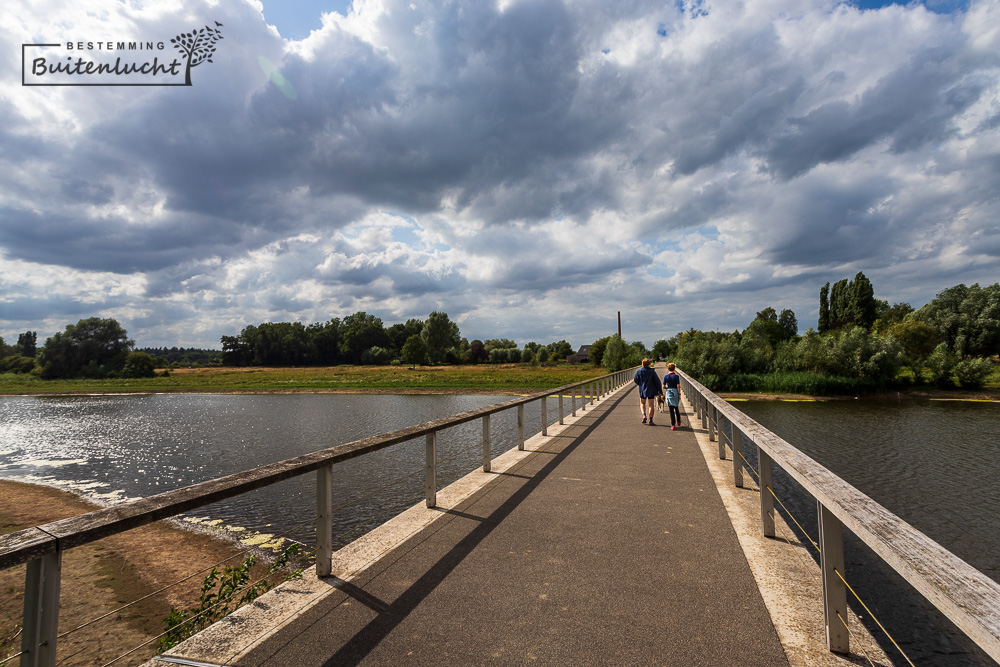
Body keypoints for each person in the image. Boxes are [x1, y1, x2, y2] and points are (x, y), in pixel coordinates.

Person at [633, 358, 662, 425]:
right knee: (651, 405)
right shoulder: (652, 372)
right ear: (649, 364)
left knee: (642, 403)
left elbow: (636, 380)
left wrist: (640, 384)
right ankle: (651, 420)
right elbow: (657, 382)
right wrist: (660, 391)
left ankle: (644, 415)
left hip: (642, 390)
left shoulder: (639, 371)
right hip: (651, 390)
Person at [662, 362, 683, 430]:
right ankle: (679, 421)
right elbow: (678, 385)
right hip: (675, 392)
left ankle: (673, 425)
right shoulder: (676, 376)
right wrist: (679, 394)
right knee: (676, 407)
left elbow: (663, 386)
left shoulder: (666, 377)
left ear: (668, 369)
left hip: (669, 392)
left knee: (671, 409)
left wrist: (667, 388)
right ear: (674, 369)